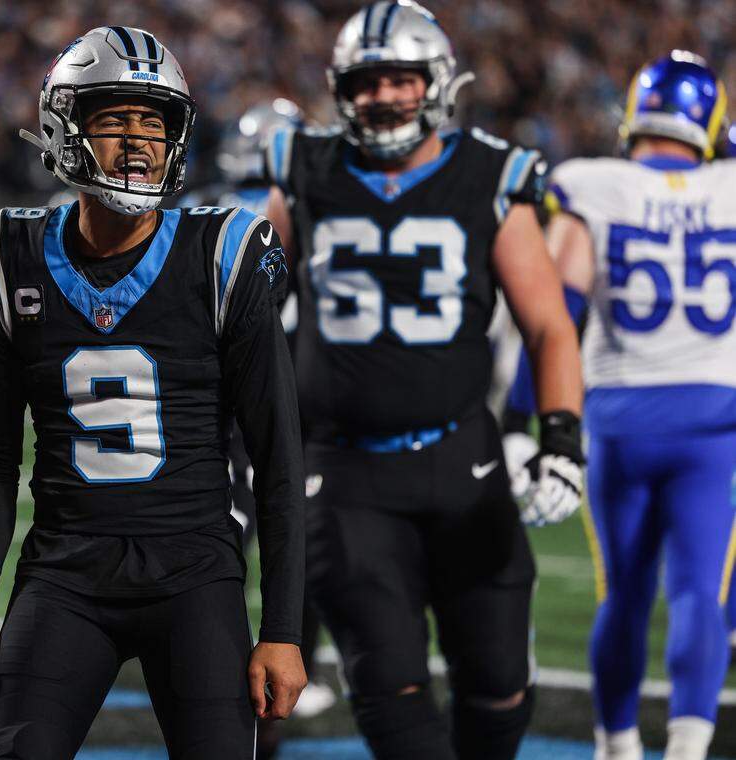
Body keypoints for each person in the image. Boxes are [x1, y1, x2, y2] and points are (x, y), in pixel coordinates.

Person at [0, 26, 307, 759]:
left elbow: (278, 457)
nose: (138, 141)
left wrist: (283, 631)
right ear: (63, 128)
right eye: (114, 119)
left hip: (195, 576)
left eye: (154, 122)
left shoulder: (225, 253)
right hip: (64, 574)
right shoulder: (9, 254)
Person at [265, 2, 584, 758]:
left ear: (437, 82)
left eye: (400, 79)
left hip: (462, 461)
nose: (383, 96)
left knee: (499, 685)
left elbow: (548, 324)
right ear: (342, 88)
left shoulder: (490, 175)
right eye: (367, 81)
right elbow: (252, 308)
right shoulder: (302, 169)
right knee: (389, 688)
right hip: (345, 476)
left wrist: (562, 440)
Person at [547, 51, 736, 760]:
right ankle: (686, 749)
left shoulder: (593, 184)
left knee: (622, 592)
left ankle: (616, 746)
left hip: (619, 417)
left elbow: (556, 309)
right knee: (699, 592)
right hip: (712, 421)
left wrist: (527, 418)